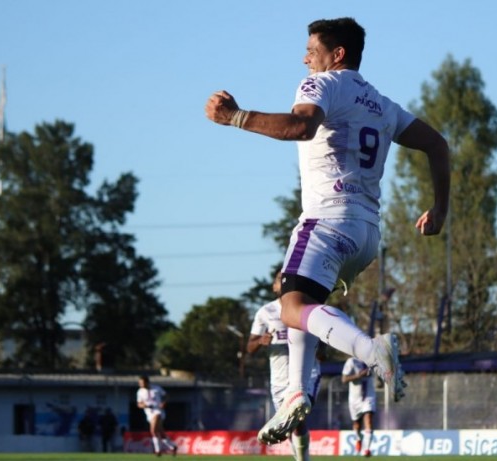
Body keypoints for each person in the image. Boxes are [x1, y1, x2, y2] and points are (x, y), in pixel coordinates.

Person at [205, 17, 450, 446]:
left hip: (326, 220)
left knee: (290, 303)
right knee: (302, 302)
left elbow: (301, 126)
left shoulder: (321, 85)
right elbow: (438, 144)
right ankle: (297, 392)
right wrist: (440, 209)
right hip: (366, 233)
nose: (304, 59)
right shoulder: (381, 103)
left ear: (336, 55)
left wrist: (234, 117)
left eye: (311, 51)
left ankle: (370, 351)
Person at [248, 271, 323, 461]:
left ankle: (303, 459)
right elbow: (249, 347)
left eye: (286, 277)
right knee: (292, 424)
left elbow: (321, 342)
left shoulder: (306, 308)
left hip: (308, 373)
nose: (283, 281)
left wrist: (320, 346)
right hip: (279, 379)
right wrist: (260, 341)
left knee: (297, 416)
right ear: (274, 287)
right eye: (278, 279)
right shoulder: (265, 312)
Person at [342, 356, 376, 457]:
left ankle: (366, 449)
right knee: (357, 424)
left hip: (368, 396)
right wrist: (359, 375)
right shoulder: (351, 361)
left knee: (368, 419)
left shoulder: (371, 359)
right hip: (355, 399)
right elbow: (344, 379)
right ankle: (358, 438)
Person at [137, 376, 178, 456]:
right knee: (160, 432)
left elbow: (166, 395)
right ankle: (173, 447)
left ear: (147, 382)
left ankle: (158, 451)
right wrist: (143, 405)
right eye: (140, 383)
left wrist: (163, 403)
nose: (141, 384)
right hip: (149, 413)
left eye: (142, 383)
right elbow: (139, 404)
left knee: (153, 430)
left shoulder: (156, 388)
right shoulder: (140, 392)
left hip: (158, 411)